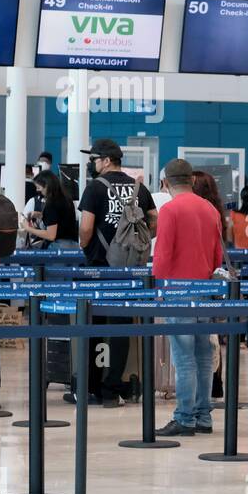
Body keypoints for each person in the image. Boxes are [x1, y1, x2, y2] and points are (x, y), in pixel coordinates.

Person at [78, 139, 158, 405]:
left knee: (94, 325)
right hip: (130, 268)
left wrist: (86, 247)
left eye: (94, 159)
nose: (92, 163)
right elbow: (154, 220)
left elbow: (87, 227)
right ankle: (113, 388)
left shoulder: (94, 188)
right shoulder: (139, 187)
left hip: (100, 267)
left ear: (107, 160)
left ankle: (93, 386)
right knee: (121, 326)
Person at [152, 159, 225, 436]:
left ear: (166, 183)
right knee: (204, 354)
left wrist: (157, 287)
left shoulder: (170, 210)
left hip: (178, 290)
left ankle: (184, 417)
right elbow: (218, 255)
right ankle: (203, 415)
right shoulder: (210, 209)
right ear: (192, 180)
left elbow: (163, 254)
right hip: (206, 288)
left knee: (183, 358)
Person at [22, 170, 79, 251]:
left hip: (58, 247)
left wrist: (29, 229)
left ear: (47, 186)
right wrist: (39, 215)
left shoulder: (51, 203)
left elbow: (50, 235)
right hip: (72, 246)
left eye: (39, 188)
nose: (38, 191)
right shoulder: (66, 199)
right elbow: (58, 218)